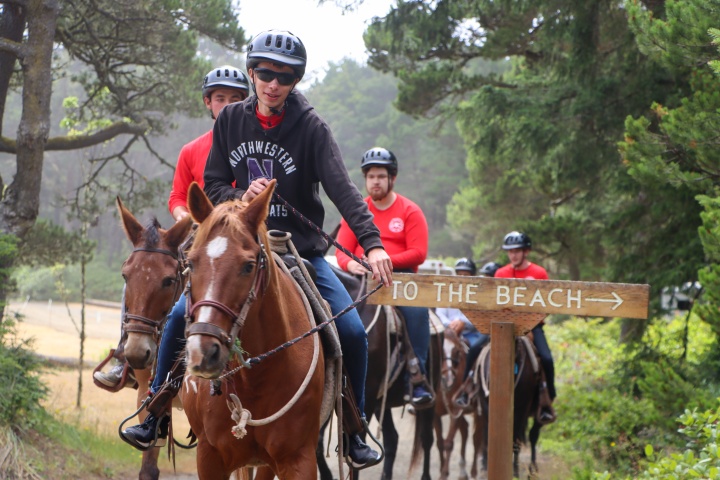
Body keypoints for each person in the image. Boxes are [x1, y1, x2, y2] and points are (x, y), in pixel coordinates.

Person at [200, 30, 393, 469]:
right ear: (252, 73)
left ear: (294, 81)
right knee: (178, 316)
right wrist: (235, 192)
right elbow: (211, 183)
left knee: (352, 334)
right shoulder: (230, 120)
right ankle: (156, 408)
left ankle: (353, 429)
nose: (273, 84)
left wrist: (374, 244)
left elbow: (344, 191)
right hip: (240, 247)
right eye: (265, 73)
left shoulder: (311, 127)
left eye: (284, 77)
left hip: (297, 252)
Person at [111, 65, 249, 444]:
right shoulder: (193, 150)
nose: (227, 105)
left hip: (241, 241)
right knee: (147, 277)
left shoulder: (252, 147)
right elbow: (177, 196)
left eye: (236, 99)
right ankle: (132, 366)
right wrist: (185, 221)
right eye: (220, 98)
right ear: (208, 103)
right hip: (195, 233)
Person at [335, 147, 434, 408]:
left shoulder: (410, 211)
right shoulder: (357, 209)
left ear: (392, 179)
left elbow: (419, 253)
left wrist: (384, 262)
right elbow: (341, 250)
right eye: (370, 177)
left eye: (380, 176)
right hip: (361, 278)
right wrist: (352, 264)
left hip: (400, 281)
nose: (375, 182)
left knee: (417, 313)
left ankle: (417, 378)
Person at [494, 231, 556, 422]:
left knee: (546, 358)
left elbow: (547, 304)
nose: (513, 255)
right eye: (510, 251)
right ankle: (470, 390)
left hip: (533, 326)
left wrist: (529, 323)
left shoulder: (539, 273)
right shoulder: (501, 273)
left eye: (517, 251)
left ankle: (547, 400)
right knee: (476, 350)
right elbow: (495, 302)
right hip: (504, 326)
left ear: (526, 251)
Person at [435, 258, 500, 407]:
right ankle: (427, 384)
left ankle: (470, 383)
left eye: (466, 274)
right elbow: (440, 312)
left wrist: (463, 322)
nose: (463, 277)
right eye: (460, 274)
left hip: (470, 332)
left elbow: (481, 314)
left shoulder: (478, 293)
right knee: (433, 350)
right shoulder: (448, 291)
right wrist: (449, 324)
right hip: (448, 332)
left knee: (476, 350)